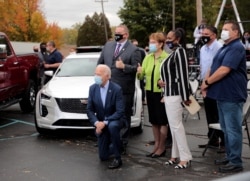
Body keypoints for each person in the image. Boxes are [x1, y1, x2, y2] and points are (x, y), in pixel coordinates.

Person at [201, 20, 247, 173]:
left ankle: (235, 161)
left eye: (227, 29)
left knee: (233, 129)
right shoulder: (226, 47)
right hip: (222, 95)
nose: (223, 31)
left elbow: (224, 70)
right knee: (226, 129)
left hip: (231, 95)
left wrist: (207, 81)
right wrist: (205, 83)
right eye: (223, 29)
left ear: (236, 32)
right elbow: (213, 66)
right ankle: (230, 155)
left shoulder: (236, 47)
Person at [97, 24, 141, 154]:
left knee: (123, 117)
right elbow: (100, 63)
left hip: (124, 89)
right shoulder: (108, 46)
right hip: (107, 88)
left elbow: (137, 69)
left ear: (126, 35)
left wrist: (124, 67)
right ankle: (107, 140)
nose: (116, 34)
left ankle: (122, 143)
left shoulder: (134, 50)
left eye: (119, 33)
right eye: (115, 32)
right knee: (107, 114)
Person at [159, 28, 192, 169]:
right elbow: (168, 75)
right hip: (169, 93)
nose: (167, 40)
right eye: (167, 38)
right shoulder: (172, 54)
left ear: (177, 39)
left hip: (176, 94)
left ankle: (185, 157)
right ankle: (175, 155)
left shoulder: (180, 53)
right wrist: (160, 83)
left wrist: (185, 97)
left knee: (177, 127)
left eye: (170, 38)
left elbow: (183, 76)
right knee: (173, 127)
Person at [137, 32, 170, 158]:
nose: (150, 45)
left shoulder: (166, 57)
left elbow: (170, 77)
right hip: (150, 92)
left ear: (161, 44)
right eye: (150, 42)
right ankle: (156, 145)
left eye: (153, 42)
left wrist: (165, 87)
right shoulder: (147, 57)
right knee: (154, 121)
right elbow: (141, 75)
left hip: (161, 93)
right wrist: (139, 72)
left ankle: (162, 147)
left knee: (162, 121)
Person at [87, 64, 124, 169]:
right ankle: (118, 144)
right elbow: (89, 110)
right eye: (95, 74)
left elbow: (120, 111)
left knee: (112, 127)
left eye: (99, 74)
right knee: (103, 156)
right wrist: (96, 123)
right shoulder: (93, 89)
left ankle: (118, 158)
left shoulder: (116, 89)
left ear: (107, 76)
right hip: (101, 122)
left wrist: (105, 122)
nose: (96, 77)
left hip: (114, 120)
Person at [198, 26, 225, 153]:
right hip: (205, 83)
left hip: (216, 83)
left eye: (206, 34)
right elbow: (203, 66)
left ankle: (224, 141)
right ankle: (213, 139)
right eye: (202, 34)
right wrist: (202, 83)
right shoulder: (203, 48)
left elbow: (217, 68)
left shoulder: (219, 47)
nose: (203, 36)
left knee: (218, 113)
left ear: (213, 35)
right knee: (209, 113)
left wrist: (208, 82)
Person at [131, 38, 147, 105]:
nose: (136, 46)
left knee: (141, 85)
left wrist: (142, 69)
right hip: (132, 70)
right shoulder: (129, 51)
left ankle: (142, 99)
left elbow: (144, 60)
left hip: (140, 70)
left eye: (136, 45)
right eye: (134, 45)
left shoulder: (141, 51)